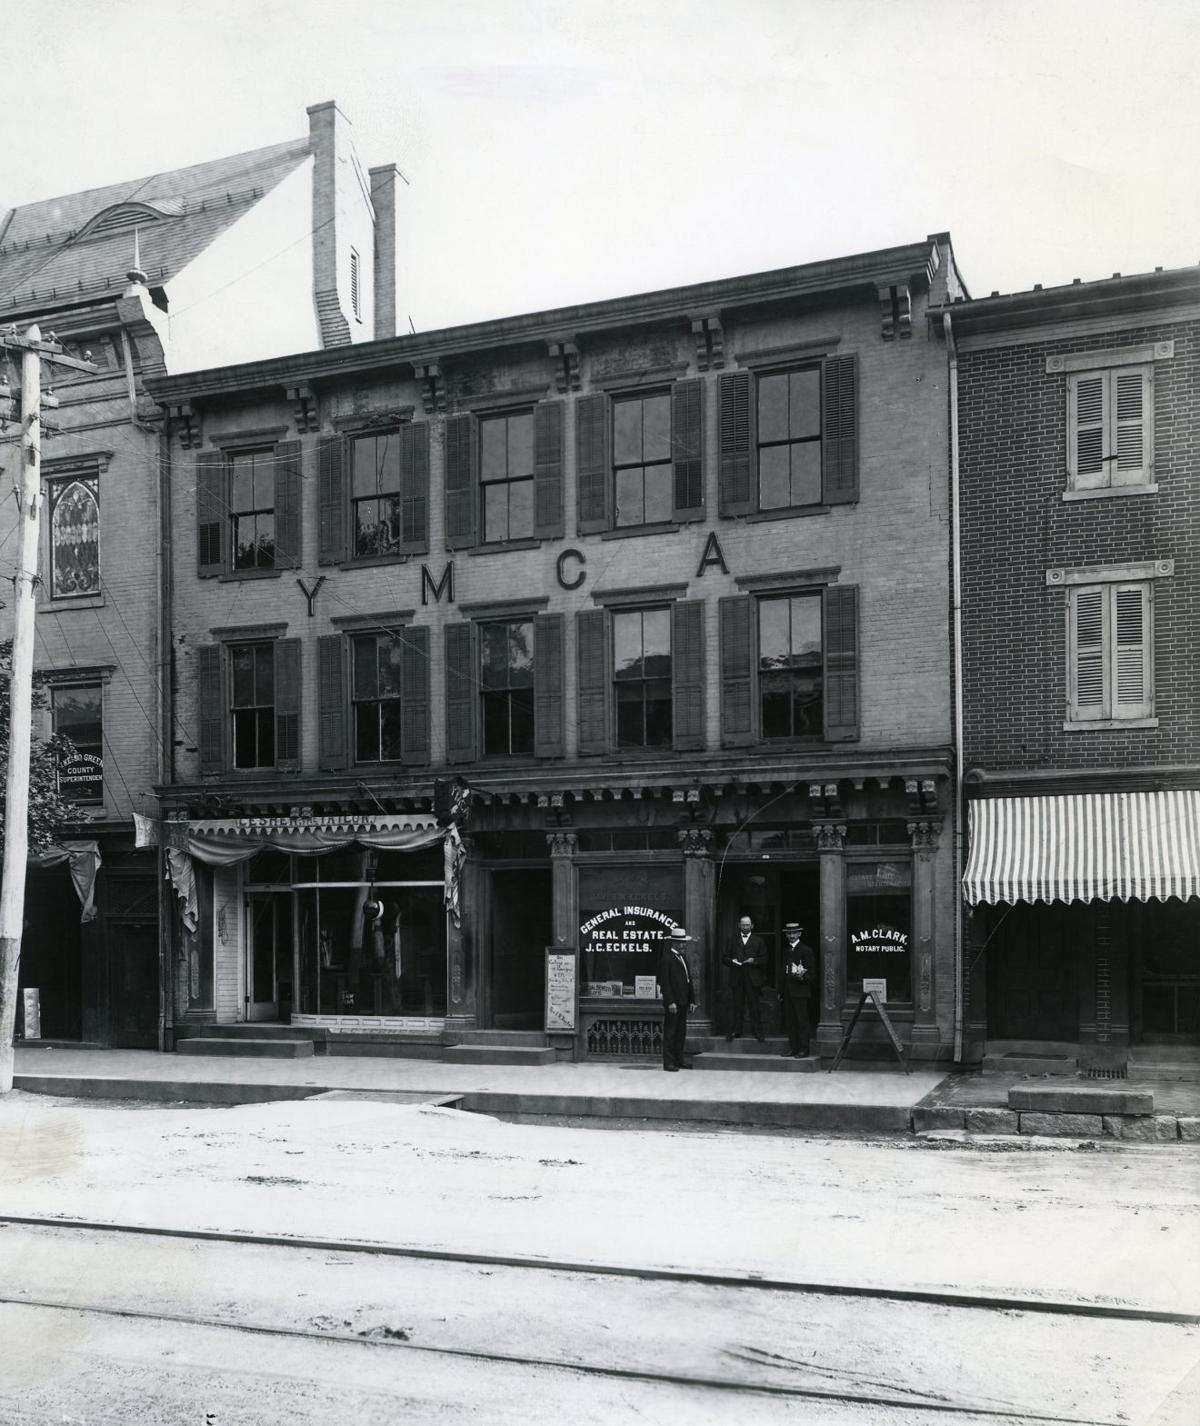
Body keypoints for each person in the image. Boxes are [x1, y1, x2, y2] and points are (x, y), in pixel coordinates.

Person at [722, 913, 769, 1041]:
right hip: (737, 978)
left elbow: (765, 959)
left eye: (747, 925)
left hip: (753, 979)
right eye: (743, 925)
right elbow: (724, 958)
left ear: (752, 926)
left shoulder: (759, 940)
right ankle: (736, 1031)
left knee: (754, 1006)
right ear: (739, 925)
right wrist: (733, 961)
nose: (745, 927)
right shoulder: (732, 940)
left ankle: (758, 1032)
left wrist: (754, 961)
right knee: (737, 1006)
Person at [656, 925, 696, 1071]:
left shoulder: (683, 958)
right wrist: (670, 1001)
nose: (683, 945)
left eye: (684, 942)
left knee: (681, 1032)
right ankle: (669, 1063)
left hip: (683, 1001)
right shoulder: (666, 959)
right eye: (681, 943)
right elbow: (665, 983)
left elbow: (688, 980)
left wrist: (692, 1000)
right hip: (673, 1003)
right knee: (671, 1032)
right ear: (673, 943)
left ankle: (679, 1060)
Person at [780, 921, 816, 1058]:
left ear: (799, 933)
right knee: (790, 1022)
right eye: (789, 933)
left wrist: (801, 977)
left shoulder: (806, 950)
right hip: (788, 992)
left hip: (801, 992)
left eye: (794, 933)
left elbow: (812, 973)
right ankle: (793, 1048)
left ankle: (804, 1050)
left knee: (802, 1022)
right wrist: (781, 991)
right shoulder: (786, 950)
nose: (791, 936)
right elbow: (783, 971)